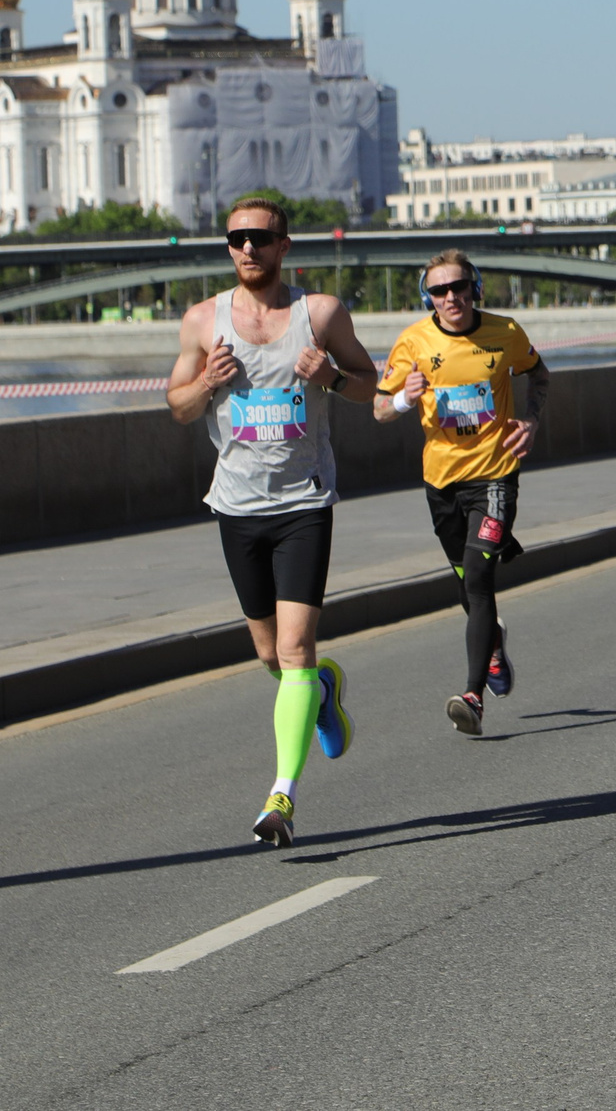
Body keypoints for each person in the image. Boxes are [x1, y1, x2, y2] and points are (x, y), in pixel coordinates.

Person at [164, 193, 381, 848]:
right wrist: (207, 382)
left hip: (303, 504)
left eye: (260, 238)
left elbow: (371, 385)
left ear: (284, 246)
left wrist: (332, 376)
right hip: (236, 505)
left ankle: (281, 796)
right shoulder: (202, 321)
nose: (248, 249)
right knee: (270, 654)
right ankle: (322, 691)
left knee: (293, 649)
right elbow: (177, 406)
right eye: (236, 239)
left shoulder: (320, 314)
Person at [376, 249, 547, 737]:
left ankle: (472, 696)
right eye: (439, 290)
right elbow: (379, 409)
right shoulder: (414, 341)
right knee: (466, 578)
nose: (451, 297)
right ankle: (491, 644)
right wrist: (405, 398)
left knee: (478, 575)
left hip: (495, 475)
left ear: (475, 287)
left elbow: (538, 373)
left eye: (459, 287)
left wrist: (531, 420)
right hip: (442, 483)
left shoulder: (505, 332)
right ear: (428, 297)